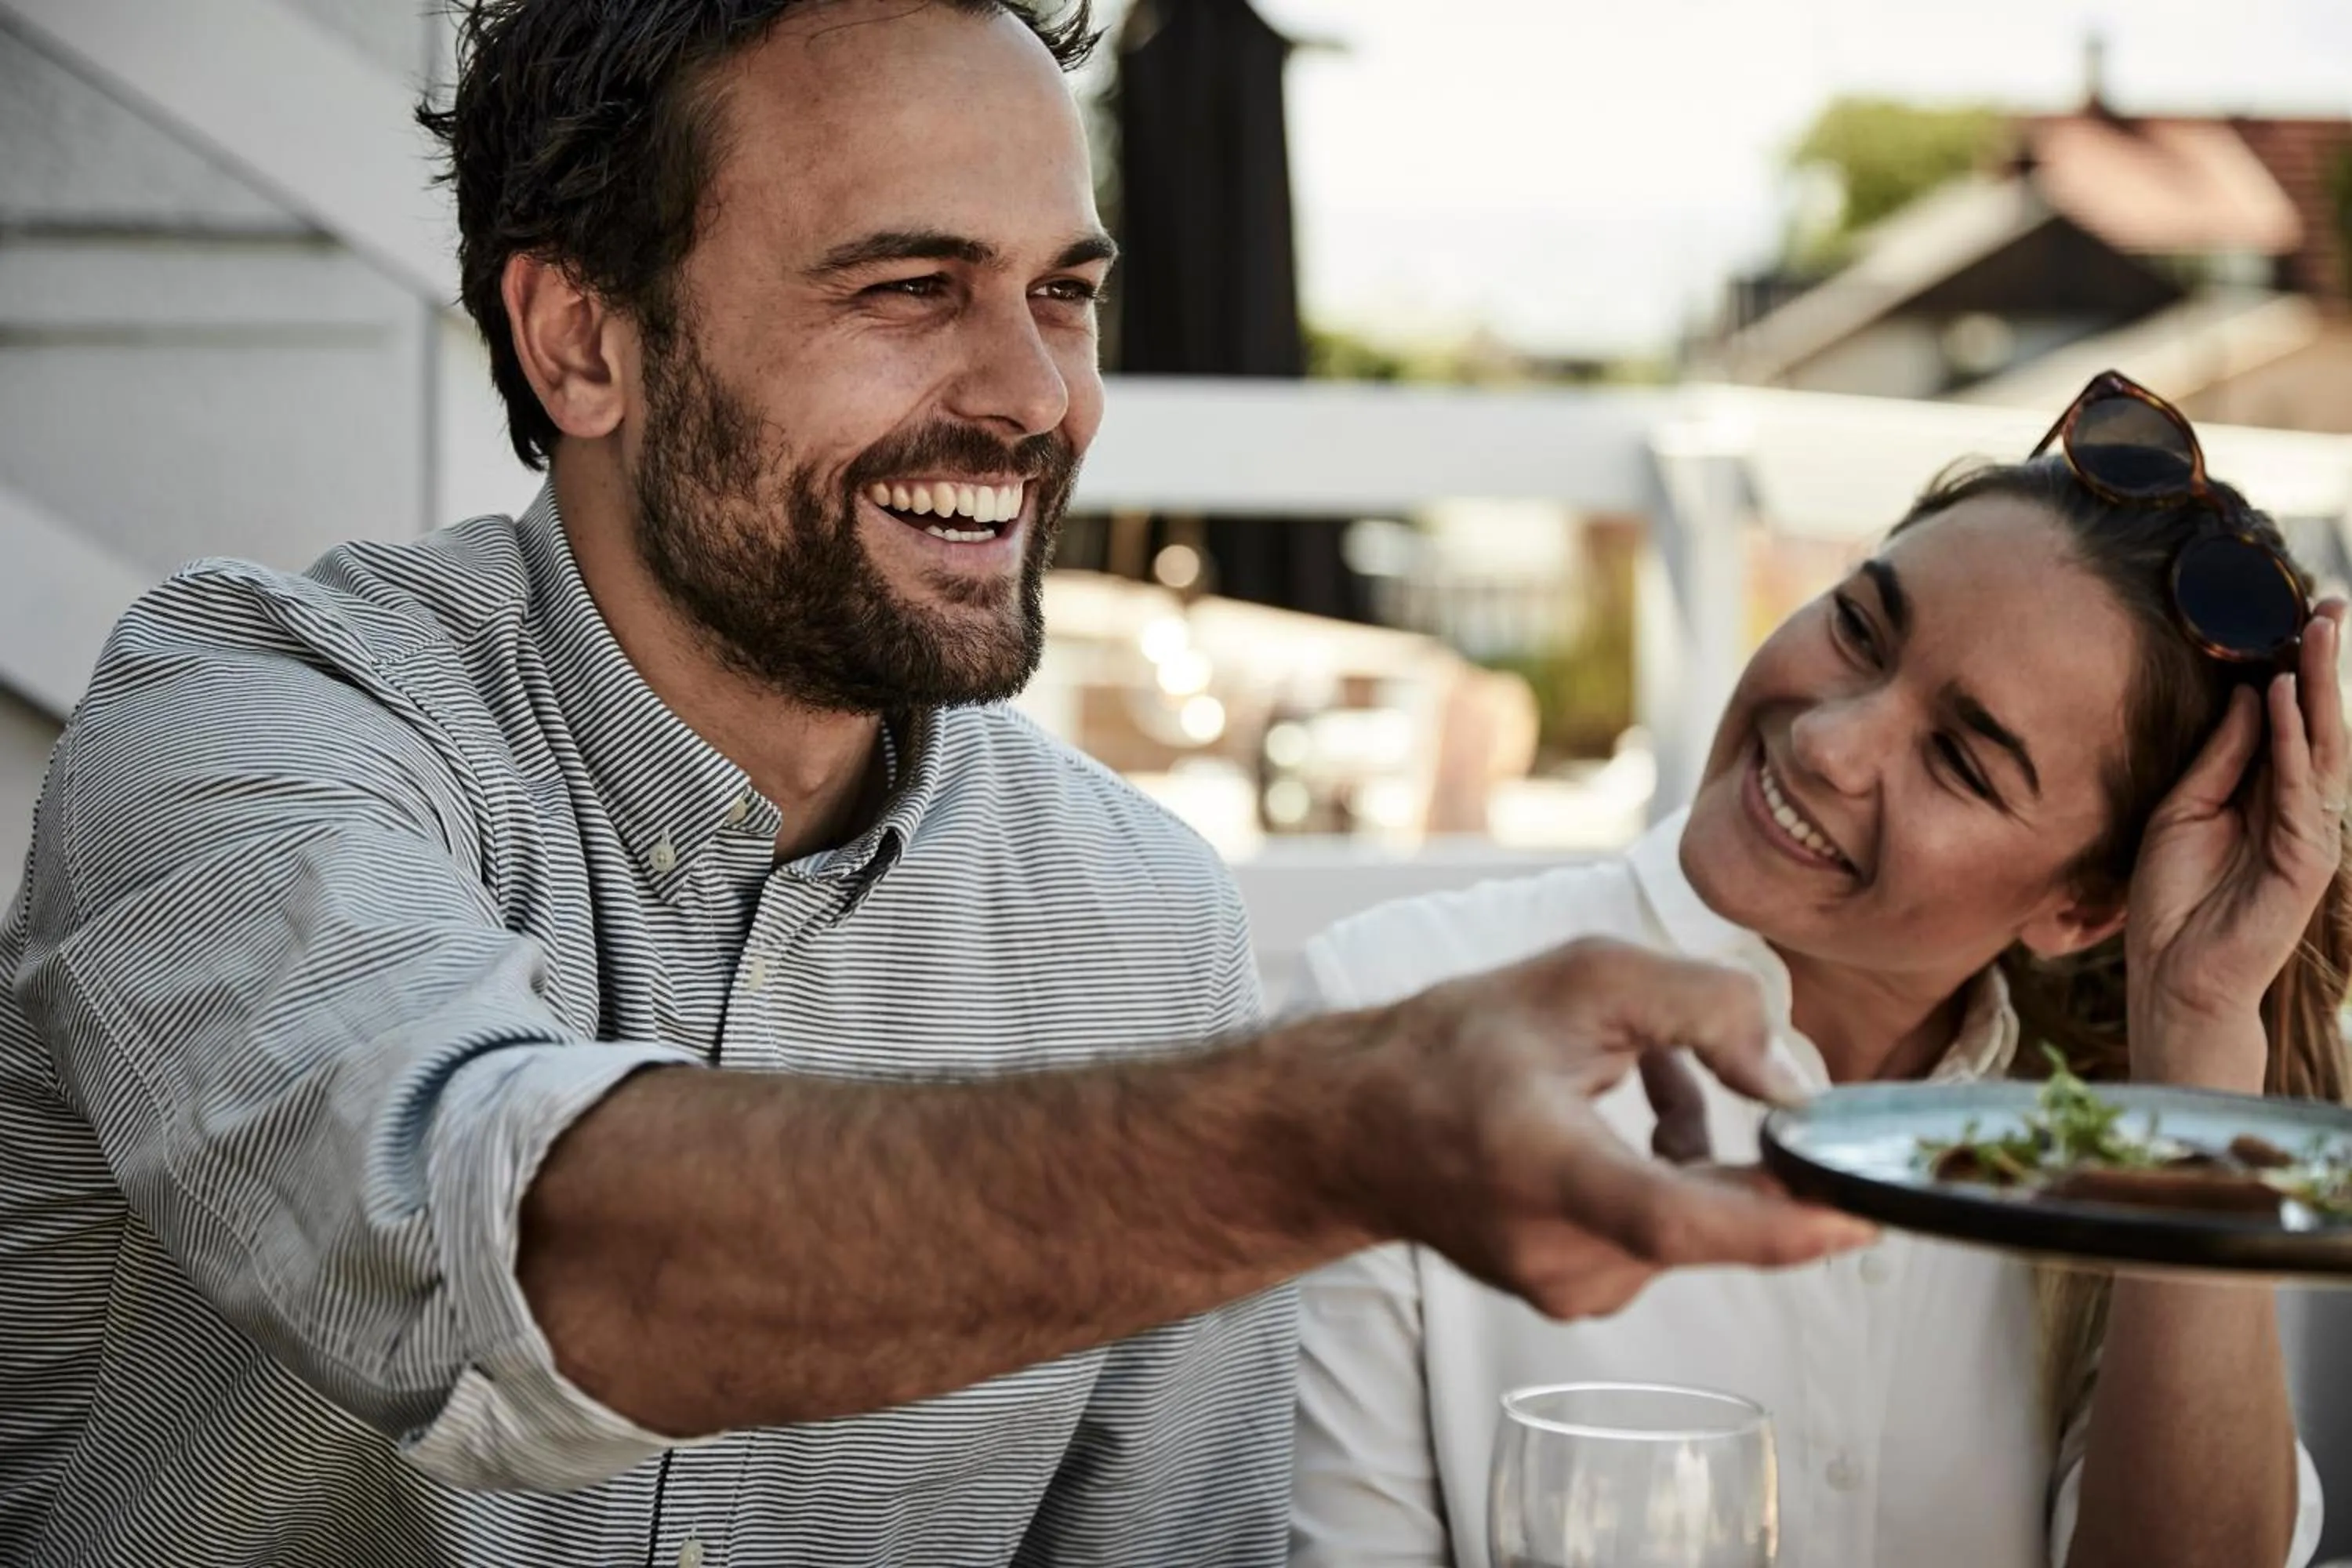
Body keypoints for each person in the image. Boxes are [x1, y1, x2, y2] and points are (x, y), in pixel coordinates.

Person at [0, 2, 1870, 1563]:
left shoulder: (1142, 925)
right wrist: (1329, 1124)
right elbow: (510, 1267)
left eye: (1063, 291)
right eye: (909, 287)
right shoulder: (246, 723)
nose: (1035, 394)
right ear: (582, 338)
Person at [1290, 374, 2350, 1568]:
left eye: (1961, 760)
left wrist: (2200, 1025)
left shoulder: (2135, 1150)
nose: (1828, 738)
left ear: (2083, 905)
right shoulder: (1390, 1010)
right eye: (1859, 628)